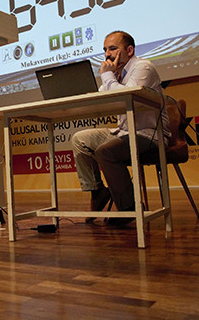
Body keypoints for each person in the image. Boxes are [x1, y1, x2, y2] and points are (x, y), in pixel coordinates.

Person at [71, 31, 170, 226]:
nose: (107, 54)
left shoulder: (143, 67)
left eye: (112, 49)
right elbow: (102, 98)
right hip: (123, 133)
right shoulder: (117, 74)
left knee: (106, 151)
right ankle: (98, 192)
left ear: (129, 50)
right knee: (79, 139)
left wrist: (108, 76)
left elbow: (128, 96)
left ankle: (129, 208)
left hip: (149, 135)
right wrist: (111, 77)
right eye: (105, 50)